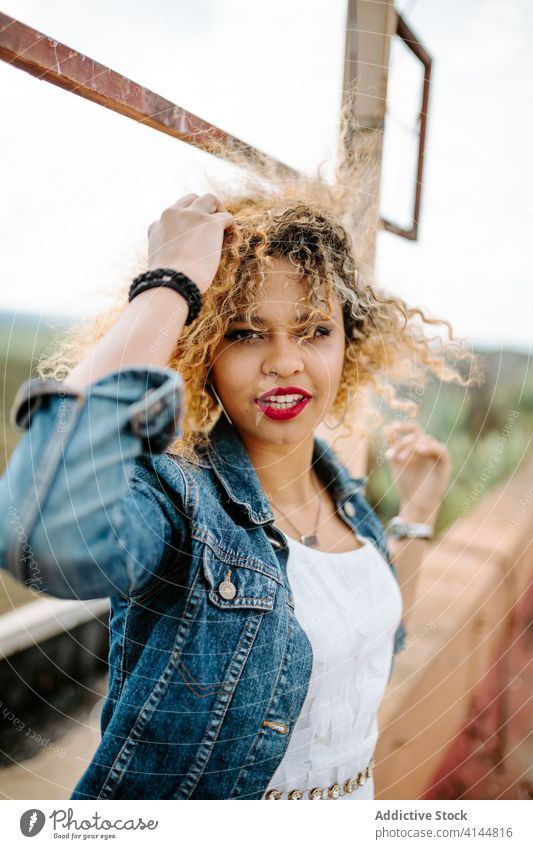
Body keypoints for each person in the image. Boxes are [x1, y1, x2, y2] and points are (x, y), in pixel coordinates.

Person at [1, 183, 477, 800]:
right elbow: (41, 533)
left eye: (313, 331)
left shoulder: (341, 491)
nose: (284, 361)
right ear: (202, 351)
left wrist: (418, 513)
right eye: (248, 333)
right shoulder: (180, 503)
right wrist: (168, 284)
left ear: (347, 345)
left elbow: (377, 640)